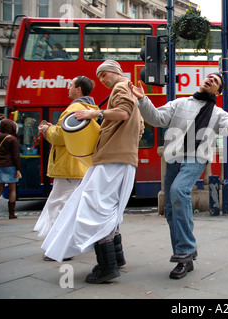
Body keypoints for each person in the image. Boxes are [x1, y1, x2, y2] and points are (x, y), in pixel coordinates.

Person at [129, 73, 228, 279]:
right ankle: (183, 258)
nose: (210, 79)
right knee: (170, 209)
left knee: (179, 191)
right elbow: (157, 118)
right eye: (209, 77)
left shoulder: (218, 113)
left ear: (218, 92)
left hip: (196, 158)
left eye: (215, 81)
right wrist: (143, 100)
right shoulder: (180, 103)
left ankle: (186, 249)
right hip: (173, 158)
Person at [41, 60, 144, 284]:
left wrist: (94, 115)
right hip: (124, 157)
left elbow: (123, 113)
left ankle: (107, 267)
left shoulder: (120, 86)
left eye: (104, 75)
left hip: (112, 158)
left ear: (115, 72)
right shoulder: (129, 90)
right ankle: (117, 257)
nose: (103, 81)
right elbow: (140, 125)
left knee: (94, 208)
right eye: (99, 77)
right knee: (109, 209)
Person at [34, 76, 97, 260]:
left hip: (68, 166)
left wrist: (46, 130)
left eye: (70, 85)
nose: (67, 88)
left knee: (58, 205)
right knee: (70, 206)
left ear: (78, 89)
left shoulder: (75, 108)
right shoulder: (88, 108)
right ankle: (68, 244)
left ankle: (59, 248)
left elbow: (61, 136)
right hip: (78, 165)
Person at [0, 119, 21, 220]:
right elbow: (15, 155)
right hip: (10, 166)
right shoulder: (11, 139)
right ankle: (11, 214)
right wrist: (18, 169)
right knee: (12, 189)